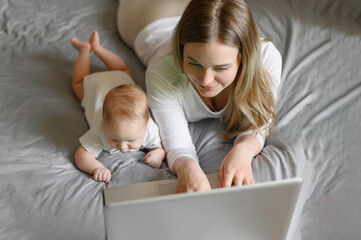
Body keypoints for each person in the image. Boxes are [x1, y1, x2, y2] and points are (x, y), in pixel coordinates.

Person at [117, 0, 282, 192]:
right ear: (181, 51)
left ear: (244, 57)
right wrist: (187, 167)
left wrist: (244, 149)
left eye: (221, 68)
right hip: (150, 14)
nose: (206, 80)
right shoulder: (161, 70)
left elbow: (261, 122)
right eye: (194, 63)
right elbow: (177, 146)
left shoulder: (266, 60)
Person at [71, 31, 166, 183]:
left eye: (131, 140)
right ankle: (85, 51)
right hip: (96, 87)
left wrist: (158, 154)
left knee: (122, 71)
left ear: (146, 123)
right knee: (78, 84)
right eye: (114, 139)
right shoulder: (100, 132)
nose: (122, 147)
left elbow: (159, 147)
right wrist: (96, 167)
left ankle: (98, 49)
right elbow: (81, 155)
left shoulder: (150, 130)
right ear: (104, 122)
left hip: (121, 80)